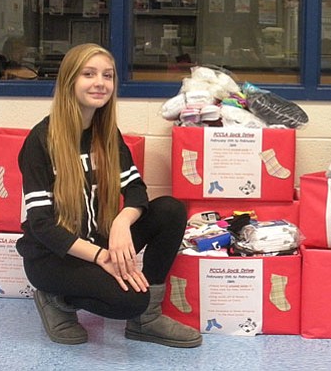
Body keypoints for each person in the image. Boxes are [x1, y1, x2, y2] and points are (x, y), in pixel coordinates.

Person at [16, 43, 202, 348]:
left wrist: (120, 225)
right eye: (89, 74)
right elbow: (42, 225)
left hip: (96, 239)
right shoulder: (40, 140)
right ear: (69, 81)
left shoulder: (106, 135)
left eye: (108, 75)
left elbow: (136, 190)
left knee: (169, 210)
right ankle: (55, 298)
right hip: (52, 257)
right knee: (129, 300)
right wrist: (103, 257)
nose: (100, 82)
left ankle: (147, 319)